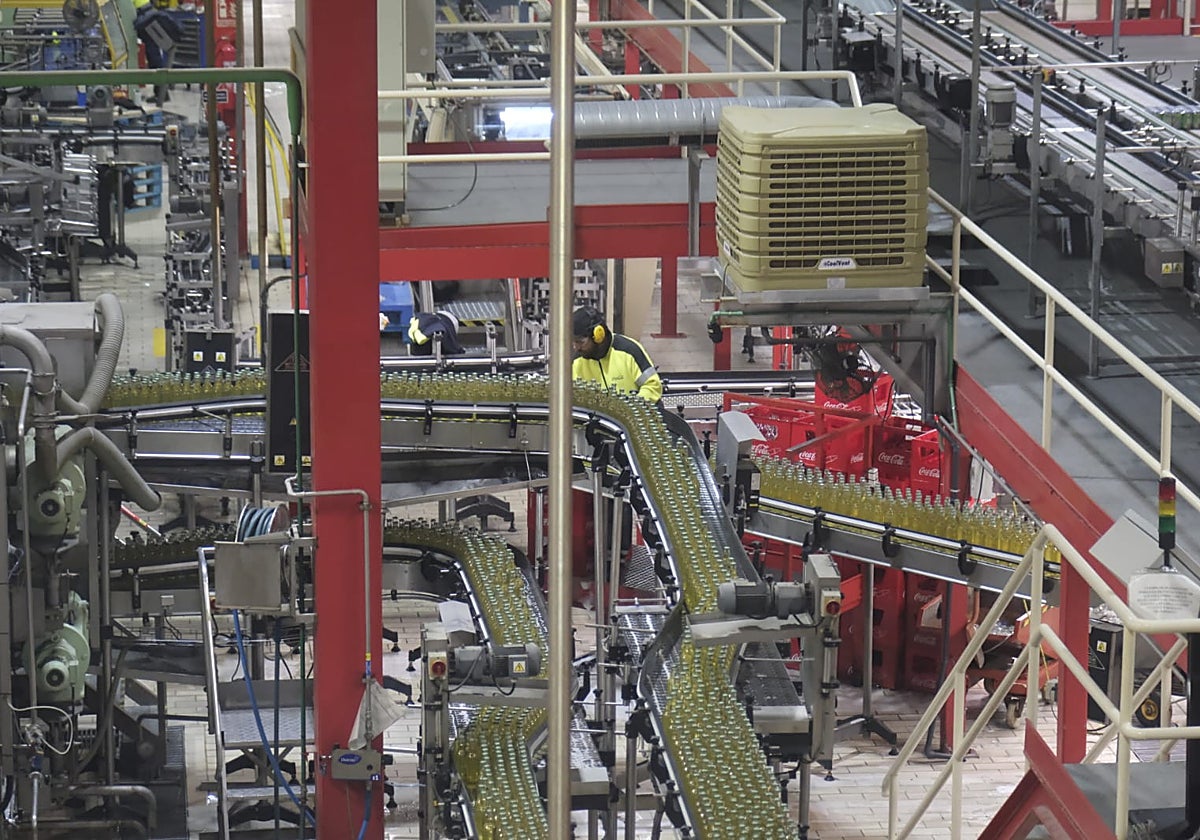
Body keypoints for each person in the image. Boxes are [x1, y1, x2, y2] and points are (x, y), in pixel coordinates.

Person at [571, 306, 662, 403]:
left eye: (580, 342)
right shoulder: (576, 363)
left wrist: (633, 407)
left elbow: (652, 386)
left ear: (598, 335)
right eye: (573, 342)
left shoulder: (629, 350)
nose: (576, 347)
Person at [132, 0, 182, 103]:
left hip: (144, 16)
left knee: (153, 54)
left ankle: (161, 93)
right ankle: (161, 92)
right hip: (147, 13)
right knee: (153, 53)